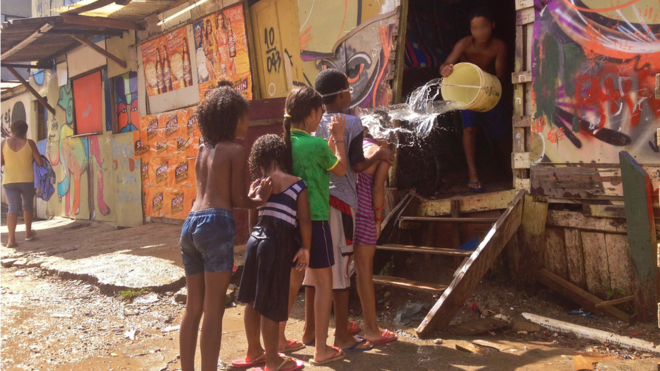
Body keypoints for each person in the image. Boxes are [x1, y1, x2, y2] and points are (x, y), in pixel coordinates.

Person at [179, 78, 273, 371]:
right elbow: (236, 199)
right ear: (233, 119)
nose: (248, 121)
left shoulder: (202, 149)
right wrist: (260, 198)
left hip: (191, 223)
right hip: (217, 223)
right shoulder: (236, 150)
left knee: (193, 306)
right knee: (213, 309)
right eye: (245, 117)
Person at [300, 69, 395, 352]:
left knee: (314, 271)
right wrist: (378, 154)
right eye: (349, 91)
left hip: (313, 202)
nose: (350, 95)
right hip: (340, 205)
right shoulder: (351, 123)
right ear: (343, 94)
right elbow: (355, 166)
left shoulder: (311, 123)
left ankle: (308, 331)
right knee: (340, 271)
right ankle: (341, 334)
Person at [280, 86, 348, 365]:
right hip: (316, 219)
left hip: (287, 221)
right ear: (310, 113)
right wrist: (340, 139)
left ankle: (280, 338)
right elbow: (341, 169)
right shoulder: (316, 144)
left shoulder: (284, 143)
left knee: (292, 279)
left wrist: (328, 146)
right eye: (319, 113)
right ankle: (321, 349)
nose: (321, 118)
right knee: (324, 284)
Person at [233, 134, 309, 371]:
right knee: (271, 304)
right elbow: (305, 221)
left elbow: (251, 222)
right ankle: (273, 361)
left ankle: (254, 351)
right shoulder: (297, 184)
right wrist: (306, 248)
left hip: (256, 242)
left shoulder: (258, 185)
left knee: (254, 300)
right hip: (277, 244)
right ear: (282, 158)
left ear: (261, 162)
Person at [440, 7, 508, 192]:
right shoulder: (464, 44)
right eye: (475, 28)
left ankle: (510, 168)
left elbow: (501, 75)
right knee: (469, 129)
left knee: (501, 134)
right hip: (468, 94)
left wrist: (485, 83)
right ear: (470, 30)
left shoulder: (499, 46)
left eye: (484, 26)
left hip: (491, 92)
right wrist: (445, 69)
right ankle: (473, 174)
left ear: (492, 25)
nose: (480, 32)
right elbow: (446, 64)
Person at [353, 128, 397, 345]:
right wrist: (379, 219)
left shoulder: (353, 145)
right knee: (364, 271)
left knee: (339, 272)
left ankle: (342, 326)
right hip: (365, 215)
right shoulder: (382, 153)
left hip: (344, 211)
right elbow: (378, 189)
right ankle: (371, 329)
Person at [1, 120, 43, 248]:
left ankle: (11, 240)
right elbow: (40, 163)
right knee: (27, 206)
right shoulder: (29, 143)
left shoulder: (3, 143)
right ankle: (28, 233)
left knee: (12, 208)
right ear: (25, 131)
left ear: (12, 131)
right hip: (27, 179)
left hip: (9, 180)